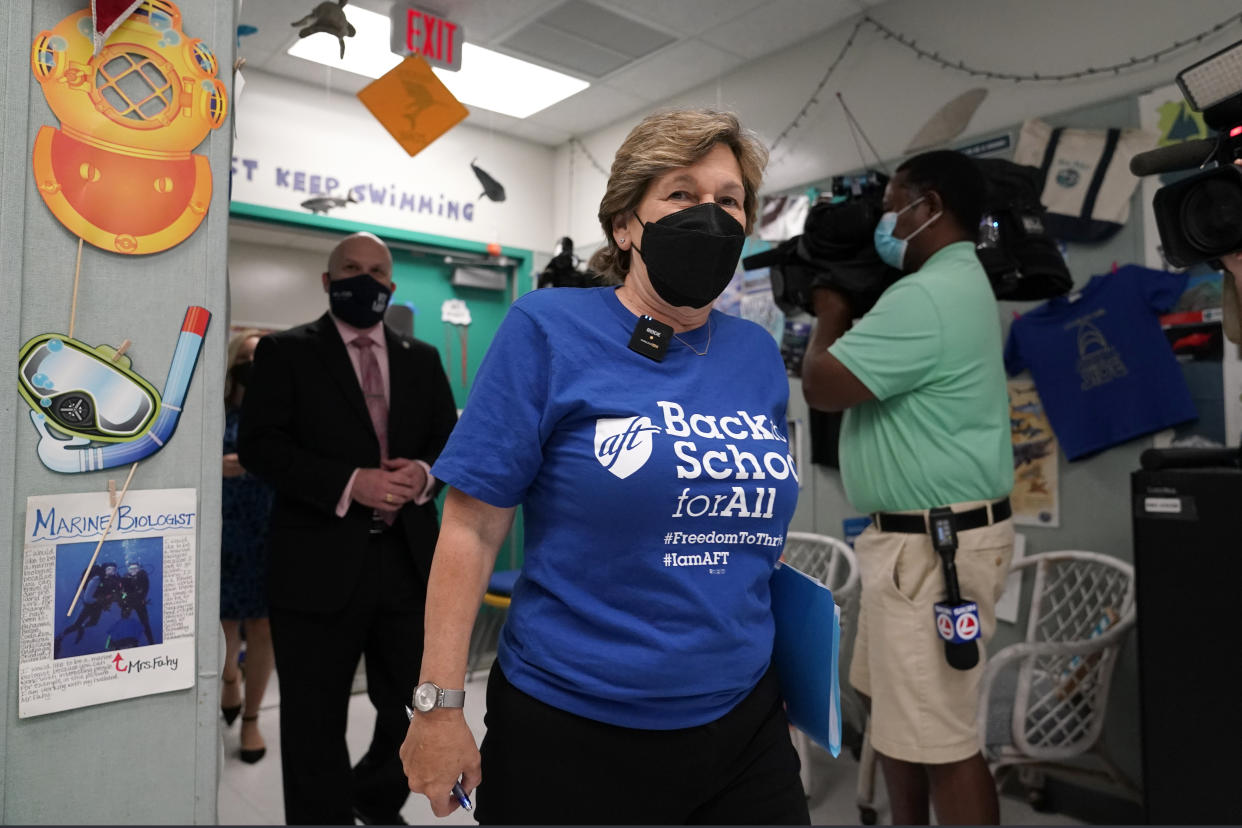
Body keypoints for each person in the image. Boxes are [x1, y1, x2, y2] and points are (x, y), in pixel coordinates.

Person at [399, 108, 810, 825]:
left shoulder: (755, 357)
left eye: (729, 199)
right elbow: (470, 528)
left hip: (742, 723)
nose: (709, 215)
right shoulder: (548, 329)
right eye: (681, 194)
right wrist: (438, 708)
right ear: (626, 224)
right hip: (574, 726)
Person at [800, 149, 1015, 825]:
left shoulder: (927, 294)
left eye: (892, 207)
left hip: (933, 554)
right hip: (915, 546)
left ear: (928, 208)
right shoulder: (953, 282)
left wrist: (830, 309)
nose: (885, 222)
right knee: (898, 717)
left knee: (944, 739)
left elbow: (823, 383)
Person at [238, 231, 458, 825]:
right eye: (351, 268)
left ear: (391, 284)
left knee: (410, 706)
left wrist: (424, 473)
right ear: (327, 282)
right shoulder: (285, 353)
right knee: (313, 718)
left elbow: (449, 442)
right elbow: (261, 447)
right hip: (314, 563)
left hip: (407, 565)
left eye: (376, 271)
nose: (365, 279)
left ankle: (376, 792)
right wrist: (347, 482)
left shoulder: (422, 357)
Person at [219, 328, 276, 764]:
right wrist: (217, 467)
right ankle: (228, 679)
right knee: (223, 622)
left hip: (269, 528)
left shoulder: (286, 413)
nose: (255, 366)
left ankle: (253, 718)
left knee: (261, 627)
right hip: (222, 527)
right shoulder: (214, 412)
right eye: (249, 356)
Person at [55, 562, 123, 655]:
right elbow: (87, 599)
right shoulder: (97, 579)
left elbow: (116, 595)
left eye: (114, 569)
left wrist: (113, 598)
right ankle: (59, 638)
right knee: (76, 624)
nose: (112, 571)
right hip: (89, 606)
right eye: (109, 569)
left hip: (98, 606)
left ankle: (82, 628)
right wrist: (102, 600)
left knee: (93, 623)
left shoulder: (114, 581)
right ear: (104, 570)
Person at [119, 561, 156, 646]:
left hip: (140, 603)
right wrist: (124, 597)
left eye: (136, 568)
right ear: (128, 570)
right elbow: (121, 592)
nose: (133, 570)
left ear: (139, 569)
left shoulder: (142, 576)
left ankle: (151, 642)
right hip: (128, 603)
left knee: (145, 623)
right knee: (124, 621)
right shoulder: (125, 578)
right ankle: (129, 642)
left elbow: (144, 590)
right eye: (131, 569)